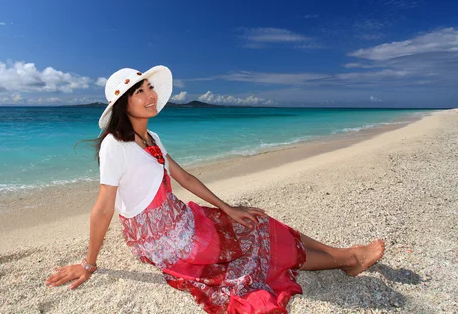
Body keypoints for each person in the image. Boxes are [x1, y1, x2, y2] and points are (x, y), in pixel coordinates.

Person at [45, 65, 385, 314]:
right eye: (139, 92)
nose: (150, 96)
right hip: (161, 239)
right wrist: (89, 265)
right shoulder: (115, 146)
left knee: (254, 222)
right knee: (251, 250)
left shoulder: (152, 138)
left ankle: (342, 253)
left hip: (179, 218)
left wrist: (227, 208)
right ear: (124, 104)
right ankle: (348, 259)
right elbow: (103, 208)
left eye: (149, 87)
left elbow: (185, 178)